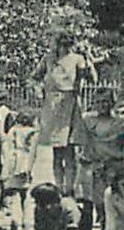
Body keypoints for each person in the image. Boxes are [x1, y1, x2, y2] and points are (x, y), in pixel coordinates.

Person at [73, 86, 124, 230]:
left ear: (113, 102)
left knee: (109, 212)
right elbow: (81, 144)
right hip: (92, 169)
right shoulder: (87, 120)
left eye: (106, 101)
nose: (102, 105)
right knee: (87, 209)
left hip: (113, 170)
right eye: (99, 102)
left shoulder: (120, 123)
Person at [37, 34, 95, 197]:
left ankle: (69, 189)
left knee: (70, 152)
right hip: (53, 107)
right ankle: (58, 187)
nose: (64, 48)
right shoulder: (48, 59)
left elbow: (91, 78)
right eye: (61, 44)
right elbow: (35, 77)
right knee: (57, 153)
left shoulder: (77, 59)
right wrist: (39, 91)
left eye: (67, 44)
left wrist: (88, 61)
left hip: (70, 104)